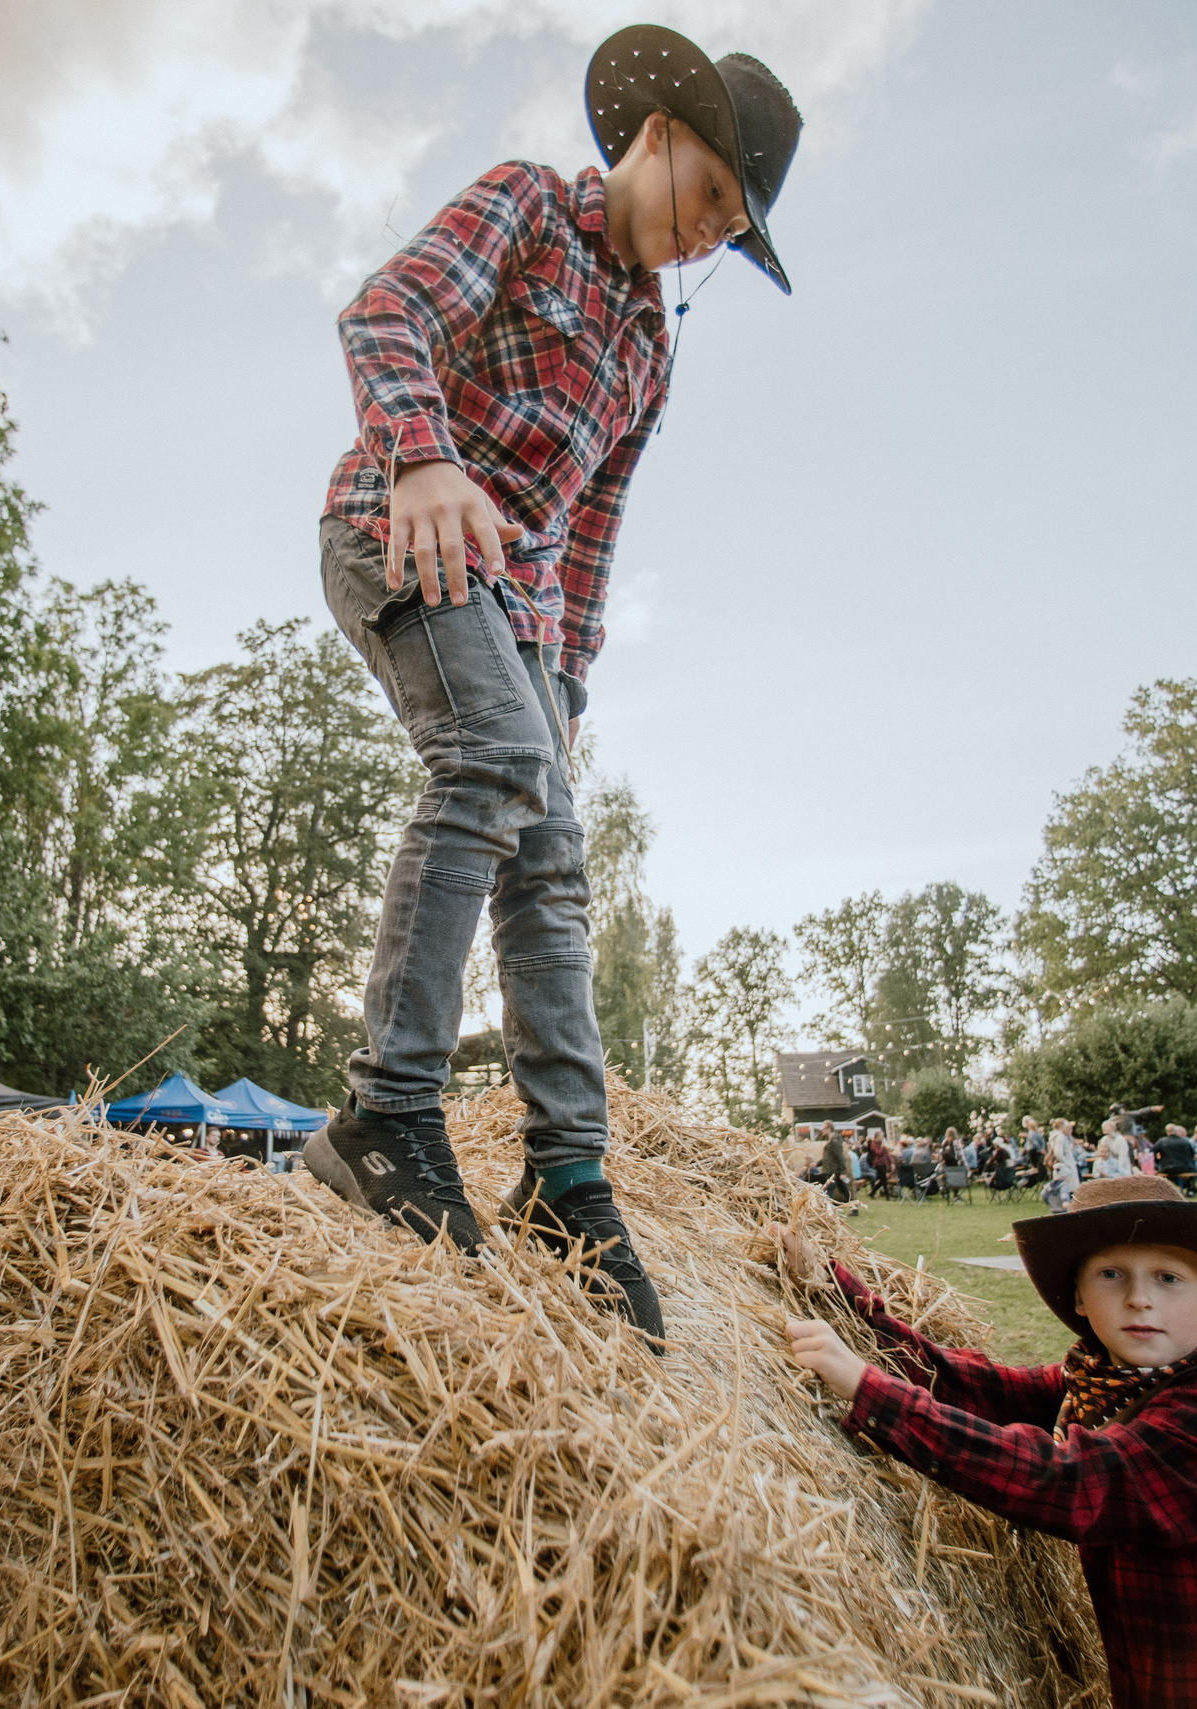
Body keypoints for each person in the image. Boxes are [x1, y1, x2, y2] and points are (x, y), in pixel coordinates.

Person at [304, 26, 804, 1347]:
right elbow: (385, 310)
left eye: (731, 231)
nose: (706, 236)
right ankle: (388, 1113)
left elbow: (590, 530)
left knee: (557, 853)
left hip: (521, 606)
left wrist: (569, 681)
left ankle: (569, 1179)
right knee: (487, 768)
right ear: (658, 135)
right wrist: (422, 455)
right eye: (708, 198)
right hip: (397, 524)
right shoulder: (529, 204)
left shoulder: (652, 346)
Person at [766, 1178, 1197, 1708]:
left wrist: (870, 1392)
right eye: (1112, 1275)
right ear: (1081, 1298)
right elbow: (975, 1386)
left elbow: (1067, 1482)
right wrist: (840, 1292)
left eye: (1168, 1278)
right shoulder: (1107, 1379)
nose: (1140, 1298)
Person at [1043, 1118, 1084, 1213]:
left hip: (1062, 1167)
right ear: (1061, 1127)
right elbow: (1058, 1153)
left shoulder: (1057, 1136)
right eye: (1067, 1127)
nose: (1070, 1129)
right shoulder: (1060, 1136)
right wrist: (1068, 1164)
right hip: (1065, 1168)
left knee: (1065, 1189)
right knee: (1068, 1189)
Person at [1152, 1125, 1197, 1196]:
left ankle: (1185, 1187)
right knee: (1188, 1173)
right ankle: (1190, 1188)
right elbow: (1192, 1154)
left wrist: (1158, 1161)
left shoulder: (1162, 1141)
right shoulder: (1185, 1141)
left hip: (1169, 1168)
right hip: (1187, 1167)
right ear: (1176, 1132)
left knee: (1170, 1175)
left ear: (1167, 1132)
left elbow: (1151, 1152)